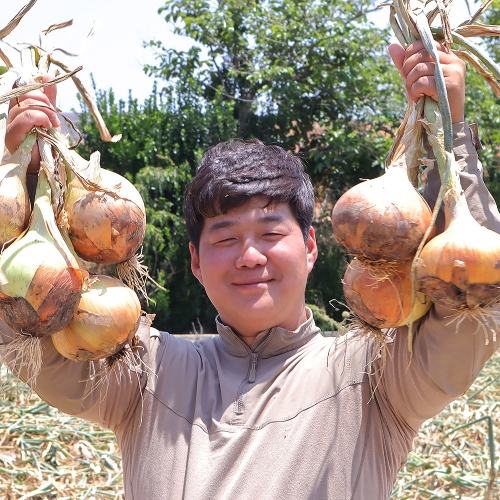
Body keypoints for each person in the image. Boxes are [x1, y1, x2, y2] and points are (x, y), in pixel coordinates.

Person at [1, 40, 499, 500]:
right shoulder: (143, 374)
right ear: (196, 263)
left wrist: (451, 137)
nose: (249, 256)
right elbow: (34, 338)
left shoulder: (376, 376)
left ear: (309, 248)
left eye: (270, 233)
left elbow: (472, 293)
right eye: (224, 238)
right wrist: (27, 168)